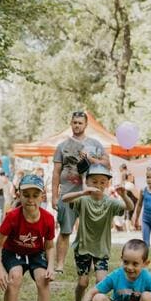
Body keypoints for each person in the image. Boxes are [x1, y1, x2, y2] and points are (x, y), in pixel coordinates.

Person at [61, 164, 134, 301]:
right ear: (87, 182)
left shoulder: (110, 202)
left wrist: (124, 195)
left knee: (101, 281)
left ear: (107, 184)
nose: (98, 185)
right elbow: (64, 199)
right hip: (83, 248)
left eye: (102, 182)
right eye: (94, 181)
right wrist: (82, 192)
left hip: (101, 249)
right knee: (83, 283)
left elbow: (130, 207)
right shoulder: (83, 200)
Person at [0, 174, 56, 301]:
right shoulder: (12, 216)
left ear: (42, 196)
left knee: (43, 279)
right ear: (19, 195)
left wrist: (51, 266)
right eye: (26, 195)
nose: (31, 200)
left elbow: (49, 246)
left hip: (36, 252)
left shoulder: (48, 219)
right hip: (13, 251)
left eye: (35, 195)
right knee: (15, 277)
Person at [51, 111, 110, 274]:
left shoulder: (95, 144)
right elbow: (56, 172)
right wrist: (54, 196)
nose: (77, 125)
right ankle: (60, 265)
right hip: (68, 194)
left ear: (86, 125)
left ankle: (90, 263)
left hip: (91, 194)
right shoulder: (62, 146)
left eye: (80, 123)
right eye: (74, 122)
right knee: (65, 230)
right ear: (71, 123)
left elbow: (107, 164)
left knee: (91, 231)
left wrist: (91, 159)